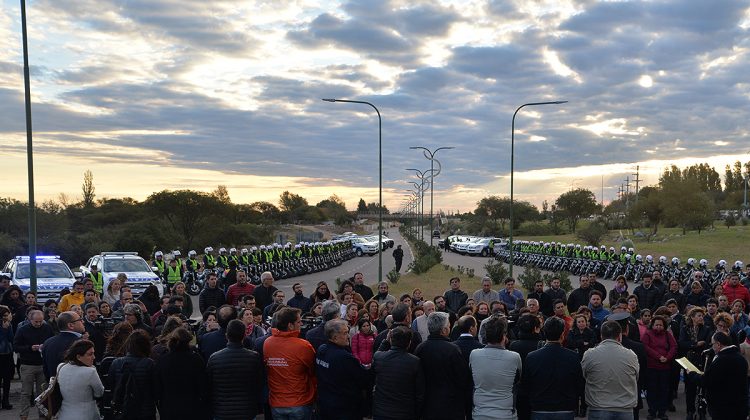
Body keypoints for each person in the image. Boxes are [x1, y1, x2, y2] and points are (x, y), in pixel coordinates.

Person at [523, 317, 584, 420]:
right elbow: (579, 384)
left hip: (539, 408)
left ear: (545, 333)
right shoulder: (573, 357)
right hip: (565, 408)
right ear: (562, 335)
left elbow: (526, 386)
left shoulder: (532, 357)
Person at [415, 311, 471, 420]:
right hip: (451, 405)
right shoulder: (452, 349)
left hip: (427, 404)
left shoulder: (420, 348)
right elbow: (463, 377)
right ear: (444, 330)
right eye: (449, 326)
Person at [263, 307, 316, 419]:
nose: (301, 323)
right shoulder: (303, 345)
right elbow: (313, 370)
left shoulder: (268, 343)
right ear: (290, 325)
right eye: (298, 321)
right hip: (299, 401)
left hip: (277, 402)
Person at [581, 321, 639, 420]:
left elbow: (585, 375)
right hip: (624, 408)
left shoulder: (589, 354)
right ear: (620, 336)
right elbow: (635, 377)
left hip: (598, 407)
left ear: (601, 336)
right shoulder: (631, 355)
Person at [206, 320, 262, 420]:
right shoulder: (254, 357)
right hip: (247, 411)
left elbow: (209, 385)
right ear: (244, 335)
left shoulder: (214, 358)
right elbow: (258, 383)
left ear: (227, 335)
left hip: (222, 411)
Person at [316, 319, 370, 419]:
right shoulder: (344, 357)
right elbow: (364, 379)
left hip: (325, 405)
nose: (348, 336)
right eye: (345, 333)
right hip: (344, 409)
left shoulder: (322, 349)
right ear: (335, 337)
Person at [469, 314, 520, 420]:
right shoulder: (514, 357)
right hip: (505, 414)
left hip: (480, 413)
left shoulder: (474, 354)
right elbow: (518, 380)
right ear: (504, 336)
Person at [372, 326, 425, 420]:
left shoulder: (379, 357)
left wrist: (385, 341)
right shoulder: (414, 362)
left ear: (391, 341)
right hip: (405, 412)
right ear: (409, 343)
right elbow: (419, 393)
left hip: (381, 411)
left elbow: (378, 353)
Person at [696, 331, 749, 420]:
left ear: (718, 344)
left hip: (724, 408)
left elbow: (707, 381)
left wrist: (692, 374)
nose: (712, 347)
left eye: (712, 344)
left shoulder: (721, 360)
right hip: (740, 407)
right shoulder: (740, 358)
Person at [107, 330, 157, 420]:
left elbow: (112, 384)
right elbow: (155, 389)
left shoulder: (116, 363)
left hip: (123, 409)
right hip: (145, 410)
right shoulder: (149, 364)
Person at [55, 339, 104, 420]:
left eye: (94, 353)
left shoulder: (60, 367)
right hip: (87, 415)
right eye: (90, 354)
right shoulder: (90, 371)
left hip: (64, 414)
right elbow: (99, 393)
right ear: (78, 357)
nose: (94, 357)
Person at [641, 315, 677, 420]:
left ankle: (662, 412)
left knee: (664, 390)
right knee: (652, 390)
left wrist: (667, 357)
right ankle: (652, 411)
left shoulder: (667, 334)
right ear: (652, 325)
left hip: (665, 367)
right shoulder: (647, 334)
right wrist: (658, 356)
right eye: (656, 324)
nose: (658, 327)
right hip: (652, 367)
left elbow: (674, 346)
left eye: (660, 325)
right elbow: (645, 347)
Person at [41, 311, 84, 379]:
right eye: (80, 320)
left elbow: (45, 369)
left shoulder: (48, 342)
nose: (83, 322)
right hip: (74, 385)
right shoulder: (79, 343)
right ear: (70, 325)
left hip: (53, 385)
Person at [0, 306, 14, 409]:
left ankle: (6, 400)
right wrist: (4, 330)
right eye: (4, 316)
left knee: (7, 379)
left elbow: (11, 339)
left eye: (7, 315)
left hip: (7, 354)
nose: (6, 318)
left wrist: (7, 328)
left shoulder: (8, 325)